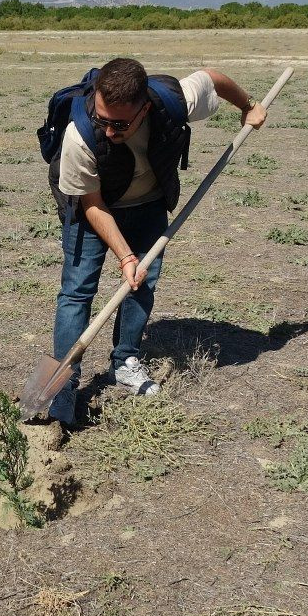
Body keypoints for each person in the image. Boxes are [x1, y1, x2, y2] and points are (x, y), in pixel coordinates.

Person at [47, 57, 266, 426]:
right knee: (77, 291)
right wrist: (125, 255)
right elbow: (94, 205)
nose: (109, 130)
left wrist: (248, 105)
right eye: (102, 119)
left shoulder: (171, 100)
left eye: (119, 124)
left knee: (142, 283)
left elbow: (212, 77)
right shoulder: (79, 135)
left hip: (147, 203)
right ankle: (63, 382)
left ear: (144, 107)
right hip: (93, 206)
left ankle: (125, 361)